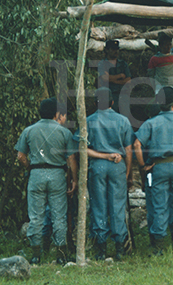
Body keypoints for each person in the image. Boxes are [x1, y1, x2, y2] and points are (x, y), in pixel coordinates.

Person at [133, 87, 173, 255]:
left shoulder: (150, 123)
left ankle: (159, 245)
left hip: (158, 167)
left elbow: (137, 145)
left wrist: (142, 166)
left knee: (160, 205)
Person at [15, 98, 77, 265]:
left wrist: (30, 167)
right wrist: (74, 180)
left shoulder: (29, 131)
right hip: (57, 175)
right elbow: (71, 159)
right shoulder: (65, 132)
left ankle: (36, 255)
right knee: (59, 216)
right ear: (56, 114)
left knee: (36, 216)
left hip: (36, 175)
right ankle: (61, 254)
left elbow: (20, 156)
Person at [81, 88, 134, 261]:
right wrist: (127, 172)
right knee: (117, 206)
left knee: (98, 205)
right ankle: (120, 247)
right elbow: (128, 149)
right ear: (112, 102)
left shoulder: (88, 121)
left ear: (96, 103)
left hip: (97, 166)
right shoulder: (123, 120)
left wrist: (102, 155)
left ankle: (101, 248)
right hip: (117, 165)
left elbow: (83, 149)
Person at [97, 40, 131, 112]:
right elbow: (105, 78)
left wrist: (111, 79)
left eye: (117, 49)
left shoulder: (123, 64)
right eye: (113, 49)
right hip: (109, 96)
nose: (116, 51)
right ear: (107, 50)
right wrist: (120, 76)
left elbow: (128, 80)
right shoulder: (102, 64)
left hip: (123, 95)